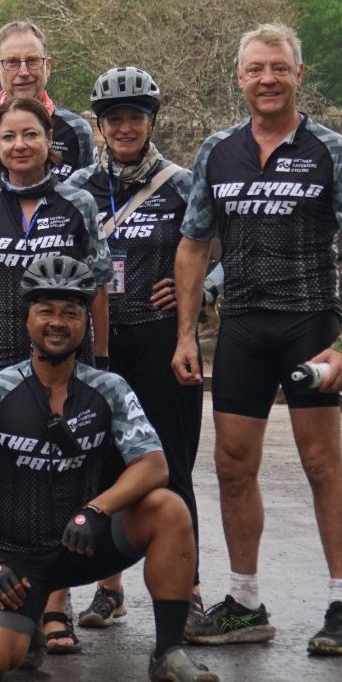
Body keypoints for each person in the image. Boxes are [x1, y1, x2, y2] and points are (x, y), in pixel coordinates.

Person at [173, 23, 342, 657]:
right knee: (233, 466)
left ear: (298, 74)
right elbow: (192, 246)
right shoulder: (218, 151)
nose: (267, 79)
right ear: (239, 78)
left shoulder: (331, 150)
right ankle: (244, 601)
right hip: (242, 326)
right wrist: (186, 332)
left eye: (279, 69)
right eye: (256, 69)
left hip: (309, 323)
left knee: (322, 464)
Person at [0, 255, 218, 682]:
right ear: (27, 318)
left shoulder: (109, 388)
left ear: (85, 323)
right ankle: (30, 621)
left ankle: (169, 651)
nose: (58, 323)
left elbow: (154, 464)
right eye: (46, 311)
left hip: (87, 544)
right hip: (18, 558)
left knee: (169, 508)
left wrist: (98, 509)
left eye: (71, 313)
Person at [0, 94, 111, 653]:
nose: (20, 146)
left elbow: (97, 289)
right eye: (9, 137)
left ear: (49, 142)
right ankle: (3, 581)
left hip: (67, 361)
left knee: (67, 475)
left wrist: (101, 361)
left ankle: (56, 605)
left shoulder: (78, 203)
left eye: (31, 135)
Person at [65, 67, 207, 628]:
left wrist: (202, 293)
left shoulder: (181, 184)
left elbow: (216, 251)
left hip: (158, 337)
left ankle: (187, 587)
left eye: (136, 118)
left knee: (171, 465)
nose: (125, 127)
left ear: (151, 122)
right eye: (115, 119)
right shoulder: (76, 189)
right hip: (94, 341)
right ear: (100, 126)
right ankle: (108, 586)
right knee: (100, 461)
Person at [0, 21, 93, 181]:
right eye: (12, 62)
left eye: (32, 61)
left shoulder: (77, 130)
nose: (23, 72)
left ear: (47, 66)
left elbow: (90, 194)